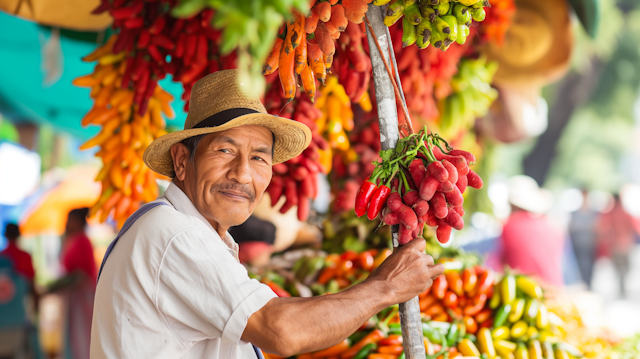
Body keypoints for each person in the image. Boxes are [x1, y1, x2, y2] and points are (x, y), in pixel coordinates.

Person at [90, 70, 444, 358]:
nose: (243, 174)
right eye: (225, 150)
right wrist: (384, 288)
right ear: (183, 162)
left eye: (259, 157)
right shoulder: (173, 233)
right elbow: (281, 331)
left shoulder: (194, 233)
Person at [48, 208, 97, 359]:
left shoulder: (82, 241)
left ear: (78, 221)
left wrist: (56, 286)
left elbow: (80, 275)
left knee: (83, 338)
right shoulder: (72, 240)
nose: (67, 223)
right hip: (75, 298)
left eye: (70, 220)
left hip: (84, 297)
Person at [498, 175, 565, 286]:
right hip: (555, 294)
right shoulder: (555, 227)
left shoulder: (507, 227)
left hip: (522, 294)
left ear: (512, 205)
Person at [597, 195, 638, 297]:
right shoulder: (625, 213)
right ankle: (622, 286)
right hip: (625, 245)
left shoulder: (611, 213)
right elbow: (634, 228)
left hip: (616, 245)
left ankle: (621, 286)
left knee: (619, 268)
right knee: (625, 268)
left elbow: (604, 229)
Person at [568, 189, 597, 289]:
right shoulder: (574, 213)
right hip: (578, 245)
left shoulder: (594, 212)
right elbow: (570, 229)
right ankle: (584, 286)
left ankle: (589, 285)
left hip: (591, 245)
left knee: (590, 268)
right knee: (580, 267)